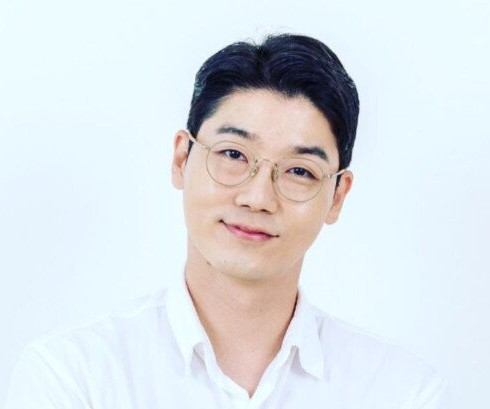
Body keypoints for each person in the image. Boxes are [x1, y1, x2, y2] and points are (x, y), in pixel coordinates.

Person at [4, 34, 445, 408]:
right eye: (233, 154)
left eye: (299, 171)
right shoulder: (74, 376)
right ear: (181, 158)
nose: (258, 198)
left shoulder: (402, 392)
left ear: (337, 196)